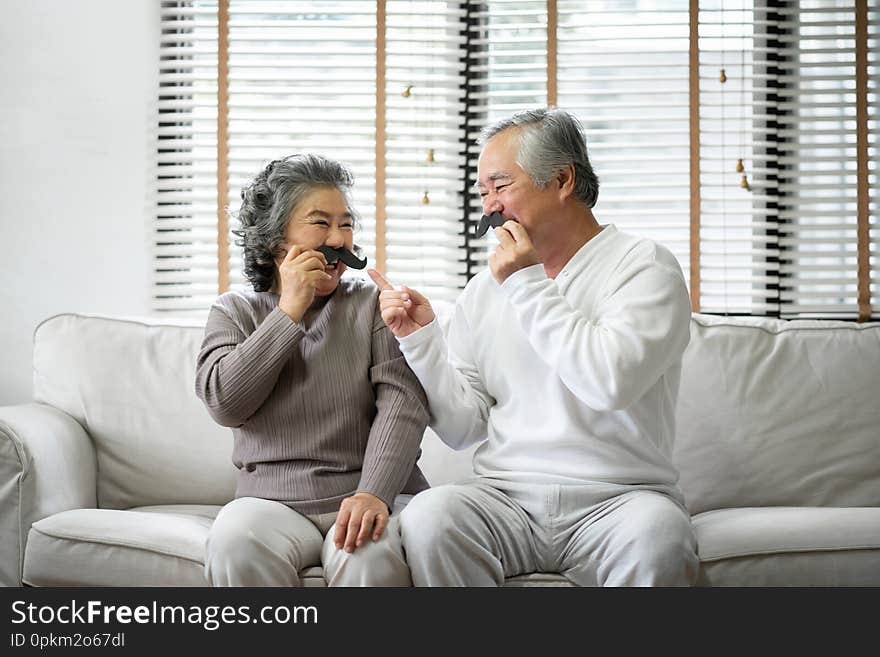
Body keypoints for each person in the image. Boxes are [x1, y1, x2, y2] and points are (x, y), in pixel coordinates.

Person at [369, 108, 699, 586]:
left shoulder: (645, 267)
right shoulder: (485, 289)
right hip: (505, 498)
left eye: (501, 187)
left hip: (622, 500)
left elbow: (608, 383)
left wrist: (526, 284)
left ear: (562, 180)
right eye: (483, 193)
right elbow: (464, 428)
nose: (489, 207)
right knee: (429, 516)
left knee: (661, 537)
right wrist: (420, 341)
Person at [195, 153, 429, 587]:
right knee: (233, 543)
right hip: (270, 502)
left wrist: (374, 493)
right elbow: (226, 403)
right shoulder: (234, 312)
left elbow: (403, 407)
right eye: (321, 223)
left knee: (369, 556)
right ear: (274, 240)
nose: (339, 239)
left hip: (365, 493)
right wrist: (289, 312)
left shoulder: (371, 306)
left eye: (346, 223)